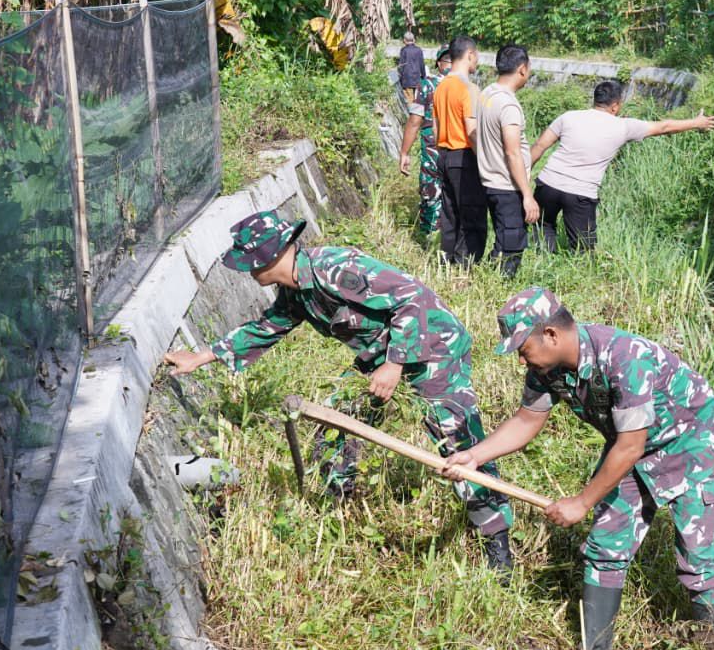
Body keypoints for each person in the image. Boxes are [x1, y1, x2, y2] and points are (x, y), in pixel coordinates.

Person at [163, 210, 515, 572]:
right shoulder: (295, 291)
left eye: (252, 263)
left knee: (457, 442)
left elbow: (413, 298)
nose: (250, 273)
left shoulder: (336, 268)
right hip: (379, 356)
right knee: (335, 426)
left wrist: (395, 364)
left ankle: (496, 542)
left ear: (271, 256)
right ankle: (335, 512)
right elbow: (267, 328)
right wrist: (200, 358)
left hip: (432, 346)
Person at [443, 287, 714, 650]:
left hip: (692, 439)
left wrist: (581, 501)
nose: (520, 358)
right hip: (632, 446)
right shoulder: (546, 370)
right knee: (605, 545)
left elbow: (629, 447)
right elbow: (527, 420)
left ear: (551, 335)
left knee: (699, 553)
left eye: (522, 347)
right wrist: (475, 456)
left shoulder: (623, 357)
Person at [529, 80, 714, 252]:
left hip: (548, 183)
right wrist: (696, 123)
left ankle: (543, 262)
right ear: (615, 106)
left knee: (543, 226)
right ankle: (568, 280)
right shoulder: (624, 126)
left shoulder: (568, 117)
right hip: (580, 193)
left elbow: (539, 146)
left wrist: (521, 176)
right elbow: (664, 127)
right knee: (583, 250)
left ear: (594, 100)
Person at [475, 43, 539, 277]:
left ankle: (486, 282)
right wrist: (528, 195)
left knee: (502, 240)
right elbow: (512, 152)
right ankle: (502, 289)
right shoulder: (509, 105)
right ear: (522, 69)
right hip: (507, 186)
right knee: (512, 246)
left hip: (489, 182)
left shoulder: (487, 93)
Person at [432, 36, 486, 266]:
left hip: (443, 154)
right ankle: (466, 264)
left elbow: (435, 128)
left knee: (450, 212)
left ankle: (447, 260)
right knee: (471, 213)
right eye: (477, 57)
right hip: (464, 155)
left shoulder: (441, 86)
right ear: (470, 55)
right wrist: (485, 160)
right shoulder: (468, 88)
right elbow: (472, 130)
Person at [399, 43, 453, 237]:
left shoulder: (427, 86)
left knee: (431, 194)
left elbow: (414, 122)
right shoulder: (467, 86)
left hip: (433, 153)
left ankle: (430, 237)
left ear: (439, 63)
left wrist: (404, 153)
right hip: (460, 154)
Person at [397, 31, 425, 104]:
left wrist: (400, 78)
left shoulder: (404, 50)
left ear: (404, 40)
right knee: (417, 100)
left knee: (410, 102)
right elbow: (422, 64)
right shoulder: (419, 50)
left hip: (407, 79)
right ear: (414, 40)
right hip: (417, 79)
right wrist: (424, 76)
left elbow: (401, 66)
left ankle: (411, 114)